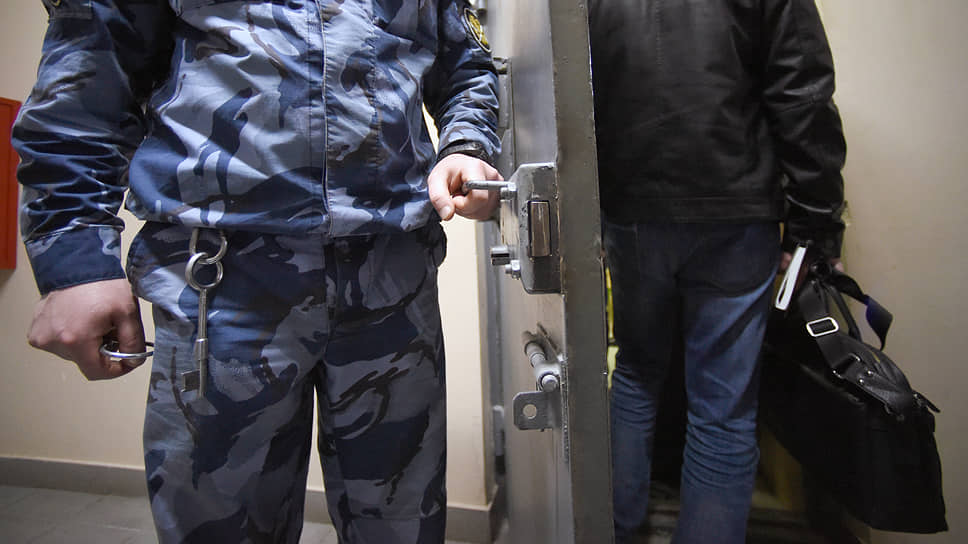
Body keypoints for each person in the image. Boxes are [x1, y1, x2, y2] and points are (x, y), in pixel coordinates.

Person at [13, 0, 501, 542]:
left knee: (404, 527)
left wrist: (467, 144)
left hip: (394, 282)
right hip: (222, 284)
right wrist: (74, 259)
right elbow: (87, 83)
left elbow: (466, 67)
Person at [588, 0, 847, 541]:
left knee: (635, 372)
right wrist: (815, 225)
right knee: (722, 409)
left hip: (633, 206)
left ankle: (613, 529)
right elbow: (802, 93)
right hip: (736, 208)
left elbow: (572, 89)